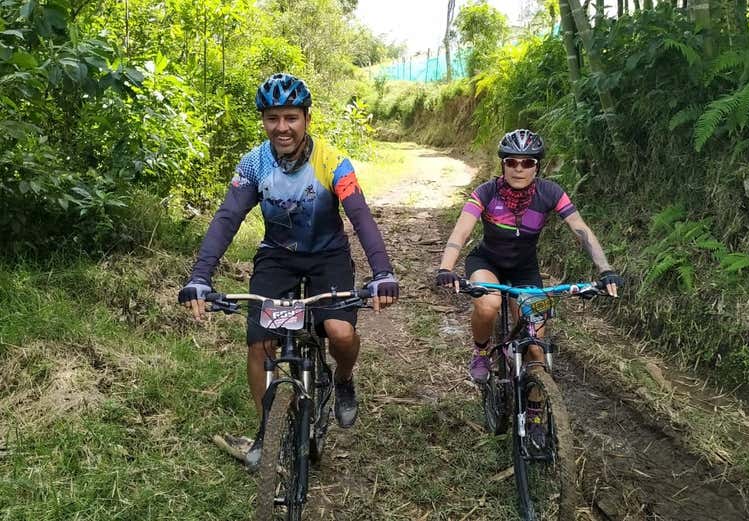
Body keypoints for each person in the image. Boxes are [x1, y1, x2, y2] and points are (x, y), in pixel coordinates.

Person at [178, 73, 399, 454]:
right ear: (264, 121)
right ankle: (269, 431)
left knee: (340, 332)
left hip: (328, 256)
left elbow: (361, 216)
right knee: (260, 344)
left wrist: (382, 272)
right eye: (273, 118)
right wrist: (200, 276)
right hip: (277, 257)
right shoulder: (254, 164)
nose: (282, 128)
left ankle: (343, 379)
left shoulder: (333, 162)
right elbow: (227, 218)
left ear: (307, 118)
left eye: (291, 118)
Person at [435, 129, 621, 446]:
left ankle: (535, 411)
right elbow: (461, 232)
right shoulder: (485, 192)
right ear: (503, 165)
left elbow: (582, 231)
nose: (519, 169)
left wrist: (606, 270)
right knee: (489, 304)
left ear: (537, 166)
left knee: (536, 347)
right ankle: (481, 351)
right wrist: (445, 268)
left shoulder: (550, 193)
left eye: (527, 162)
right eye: (512, 162)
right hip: (486, 263)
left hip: (525, 270)